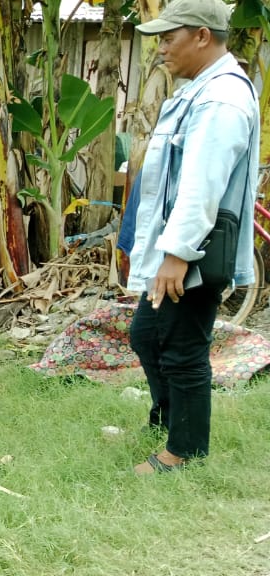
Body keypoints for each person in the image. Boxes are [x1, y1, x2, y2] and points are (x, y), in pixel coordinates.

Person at [127, 0, 260, 474]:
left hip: (195, 250)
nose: (162, 49)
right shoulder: (201, 91)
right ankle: (169, 420)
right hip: (179, 247)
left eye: (169, 39)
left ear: (202, 36)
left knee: (183, 349)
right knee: (145, 334)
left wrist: (178, 254)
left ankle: (183, 451)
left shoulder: (221, 99)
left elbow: (202, 183)